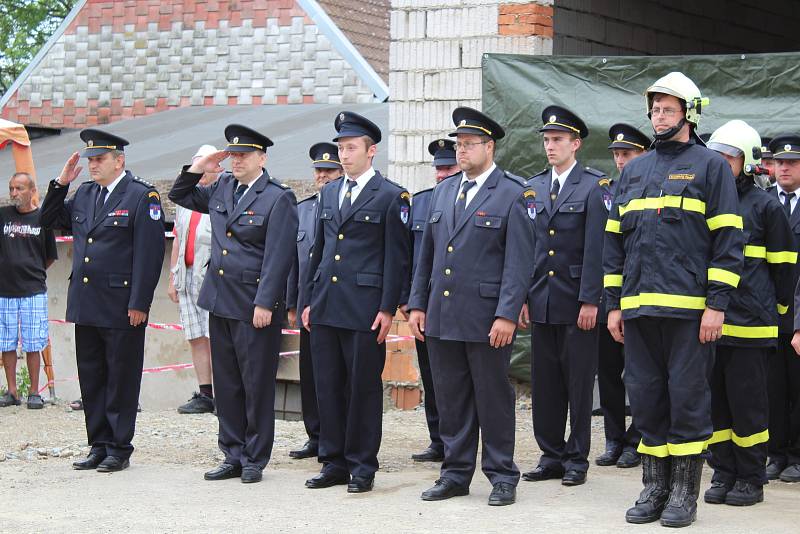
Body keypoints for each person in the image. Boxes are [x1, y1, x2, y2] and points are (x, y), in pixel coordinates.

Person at [603, 72, 744, 527]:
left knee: (687, 398)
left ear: (689, 113)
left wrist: (717, 305)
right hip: (639, 309)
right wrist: (614, 304)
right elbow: (613, 243)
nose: (659, 117)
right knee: (645, 397)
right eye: (655, 109)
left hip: (689, 313)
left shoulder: (711, 166)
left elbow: (727, 240)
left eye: (668, 109)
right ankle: (654, 488)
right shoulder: (636, 170)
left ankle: (684, 493)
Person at [408, 107, 534, 506]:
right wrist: (417, 305)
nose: (460, 152)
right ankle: (456, 472)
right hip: (443, 314)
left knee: (492, 396)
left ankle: (501, 475)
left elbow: (518, 261)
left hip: (486, 317)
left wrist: (507, 314)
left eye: (468, 145)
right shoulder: (444, 192)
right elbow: (425, 256)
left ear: (489, 146)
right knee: (451, 397)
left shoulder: (514, 192)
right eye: (458, 145)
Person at [169, 125, 298, 484]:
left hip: (254, 304)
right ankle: (232, 452)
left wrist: (266, 302)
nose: (237, 160)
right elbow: (179, 194)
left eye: (245, 155)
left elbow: (279, 255)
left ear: (262, 158)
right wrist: (203, 165)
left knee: (255, 383)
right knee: (226, 383)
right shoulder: (222, 186)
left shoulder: (278, 197)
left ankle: (255, 457)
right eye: (233, 155)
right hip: (221, 299)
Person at [40, 129, 165, 473]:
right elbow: (48, 220)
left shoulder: (141, 196)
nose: (92, 165)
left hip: (122, 303)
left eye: (99, 159)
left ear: (118, 160)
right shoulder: (84, 193)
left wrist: (140, 301)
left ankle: (119, 447)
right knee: (92, 376)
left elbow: (150, 255)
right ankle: (98, 442)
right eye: (90, 160)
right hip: (87, 301)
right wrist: (61, 183)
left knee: (121, 377)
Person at [301, 111, 410, 494]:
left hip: (365, 308)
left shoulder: (392, 196)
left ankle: (362, 465)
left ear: (371, 150)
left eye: (350, 148)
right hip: (327, 303)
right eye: (340, 148)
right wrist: (308, 300)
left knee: (362, 389)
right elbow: (319, 250)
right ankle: (333, 461)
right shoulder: (329, 192)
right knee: (327, 386)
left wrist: (387, 308)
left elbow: (397, 257)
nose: (343, 156)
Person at [702, 120, 795, 506]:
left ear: (749, 161)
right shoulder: (707, 201)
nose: (720, 164)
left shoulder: (765, 206)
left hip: (752, 325)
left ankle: (751, 477)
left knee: (749, 407)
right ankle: (723, 471)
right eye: (716, 157)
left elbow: (786, 267)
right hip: (712, 323)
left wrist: (775, 313)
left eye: (728, 158)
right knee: (717, 405)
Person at [520, 106, 609, 487]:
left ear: (576, 143)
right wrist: (521, 297)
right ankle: (550, 454)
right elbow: (526, 248)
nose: (550, 146)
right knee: (546, 384)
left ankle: (576, 458)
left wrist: (591, 299)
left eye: (557, 140)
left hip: (576, 302)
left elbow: (598, 247)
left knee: (577, 384)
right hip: (542, 300)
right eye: (546, 140)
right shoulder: (534, 186)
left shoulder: (594, 185)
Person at [595, 123, 650, 469]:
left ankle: (638, 438)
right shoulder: (605, 191)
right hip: (609, 296)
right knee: (609, 372)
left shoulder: (651, 188)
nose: (619, 161)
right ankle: (614, 437)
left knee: (640, 374)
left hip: (642, 295)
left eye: (626, 154)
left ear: (643, 155)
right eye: (616, 154)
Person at [402, 139, 460, 463]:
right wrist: (409, 302)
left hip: (462, 307)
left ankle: (464, 442)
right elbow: (410, 258)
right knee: (432, 375)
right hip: (427, 307)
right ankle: (438, 440)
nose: (441, 174)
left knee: (462, 379)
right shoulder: (421, 203)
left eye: (447, 167)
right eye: (438, 168)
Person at [286, 142, 342, 460]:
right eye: (319, 171)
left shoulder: (343, 205)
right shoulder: (303, 209)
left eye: (329, 171)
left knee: (332, 375)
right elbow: (296, 261)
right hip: (308, 305)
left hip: (335, 303)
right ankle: (315, 434)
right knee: (309, 374)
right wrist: (293, 302)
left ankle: (337, 437)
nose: (323, 176)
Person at [168, 144, 219, 414]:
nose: (199, 173)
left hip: (209, 277)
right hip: (187, 276)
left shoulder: (218, 196)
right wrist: (172, 275)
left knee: (215, 336)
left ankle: (222, 392)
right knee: (195, 335)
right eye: (195, 168)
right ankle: (205, 392)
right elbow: (178, 237)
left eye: (204, 167)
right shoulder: (186, 203)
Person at [0, 172, 57, 409]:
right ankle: (12, 391)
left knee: (34, 343)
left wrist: (31, 270)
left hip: (33, 290)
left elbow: (50, 256)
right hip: (5, 291)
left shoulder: (43, 218)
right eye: (12, 188)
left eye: (19, 188)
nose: (14, 193)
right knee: (7, 343)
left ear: (32, 191)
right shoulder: (3, 215)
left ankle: (34, 392)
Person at [769, 133, 800, 482]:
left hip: (798, 314)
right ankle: (775, 452)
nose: (785, 167)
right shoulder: (763, 203)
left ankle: (796, 454)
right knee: (771, 389)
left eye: (792, 162)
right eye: (779, 162)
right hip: (768, 314)